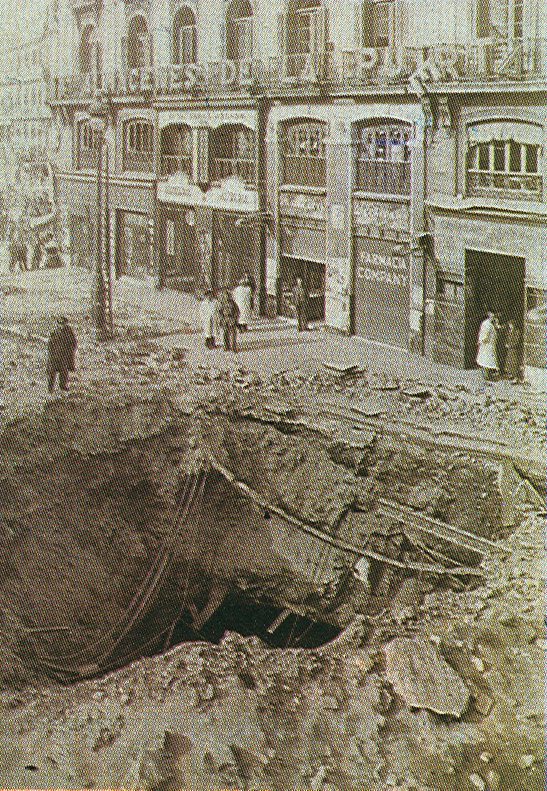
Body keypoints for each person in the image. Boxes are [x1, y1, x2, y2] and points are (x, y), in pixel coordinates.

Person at [47, 316, 77, 393]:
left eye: (63, 323)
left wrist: (69, 353)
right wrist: (51, 353)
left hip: (64, 355)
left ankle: (63, 386)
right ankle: (50, 388)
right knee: (52, 372)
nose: (61, 325)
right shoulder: (54, 332)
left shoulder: (69, 332)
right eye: (59, 323)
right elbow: (50, 343)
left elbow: (74, 343)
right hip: (55, 355)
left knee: (64, 371)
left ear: (66, 324)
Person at [476, 311, 499, 382]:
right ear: (489, 315)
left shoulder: (489, 324)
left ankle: (487, 374)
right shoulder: (487, 324)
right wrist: (482, 340)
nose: (493, 317)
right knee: (486, 359)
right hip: (487, 344)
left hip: (489, 344)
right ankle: (486, 375)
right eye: (492, 316)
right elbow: (485, 334)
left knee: (486, 359)